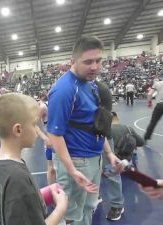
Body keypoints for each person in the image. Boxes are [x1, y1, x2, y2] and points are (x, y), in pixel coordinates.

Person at [47, 36, 123, 225]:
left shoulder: (92, 84)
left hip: (94, 158)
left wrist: (109, 153)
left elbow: (94, 124)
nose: (95, 67)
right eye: (88, 62)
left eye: (98, 61)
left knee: (89, 206)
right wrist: (72, 170)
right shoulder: (65, 90)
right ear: (72, 61)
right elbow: (54, 134)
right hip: (77, 161)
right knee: (73, 215)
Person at [0, 93, 68, 225]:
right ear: (18, 130)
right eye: (34, 124)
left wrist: (37, 195)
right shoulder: (17, 177)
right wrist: (61, 207)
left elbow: (12, 201)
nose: (38, 130)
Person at [102, 112, 144, 221]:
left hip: (108, 164)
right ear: (117, 118)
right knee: (134, 153)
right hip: (124, 160)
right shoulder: (128, 128)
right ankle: (127, 165)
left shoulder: (103, 131)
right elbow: (141, 142)